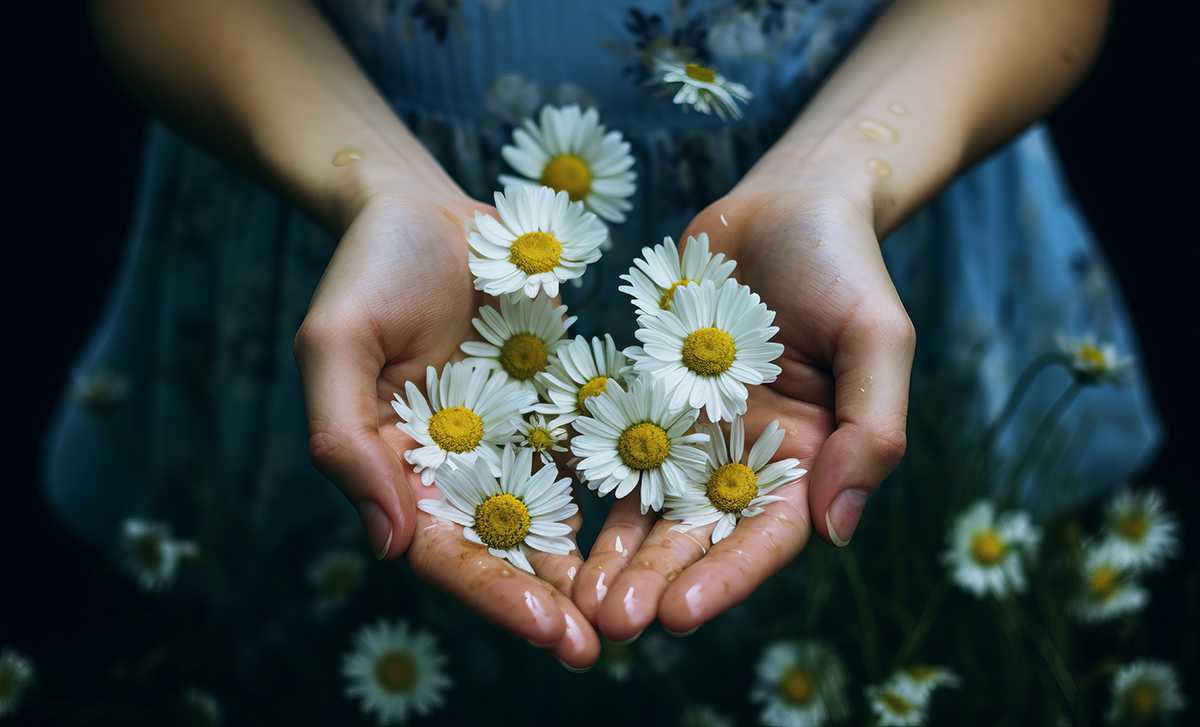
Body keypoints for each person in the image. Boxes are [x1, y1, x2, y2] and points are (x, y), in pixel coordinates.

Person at [46, 0, 1158, 675]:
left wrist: (849, 171)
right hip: (328, 202)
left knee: (903, 639)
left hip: (878, 208)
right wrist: (368, 182)